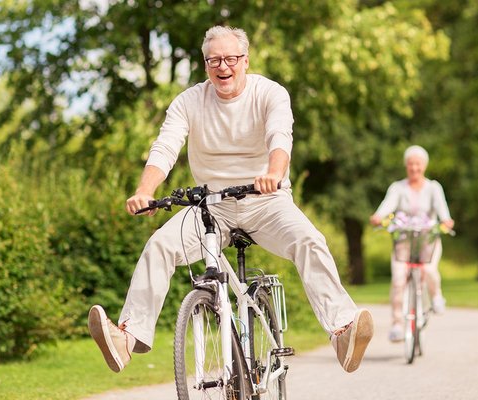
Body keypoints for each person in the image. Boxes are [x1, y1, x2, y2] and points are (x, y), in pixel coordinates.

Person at [86, 25, 373, 374]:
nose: (223, 67)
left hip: (266, 200)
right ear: (206, 65)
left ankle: (342, 331)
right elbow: (165, 147)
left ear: (245, 61)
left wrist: (273, 172)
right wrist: (145, 191)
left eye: (231, 59)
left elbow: (280, 136)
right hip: (211, 206)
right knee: (159, 245)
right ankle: (127, 338)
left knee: (310, 240)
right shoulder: (189, 100)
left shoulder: (270, 93)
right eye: (214, 60)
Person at [369, 145, 454, 343]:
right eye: (410, 164)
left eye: (418, 164)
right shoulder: (398, 188)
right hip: (404, 241)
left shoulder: (434, 187)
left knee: (429, 270)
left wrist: (446, 221)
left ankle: (436, 296)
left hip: (427, 240)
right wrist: (378, 216)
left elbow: (443, 211)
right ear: (406, 166)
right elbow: (387, 206)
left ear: (424, 166)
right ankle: (397, 324)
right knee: (398, 279)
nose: (414, 168)